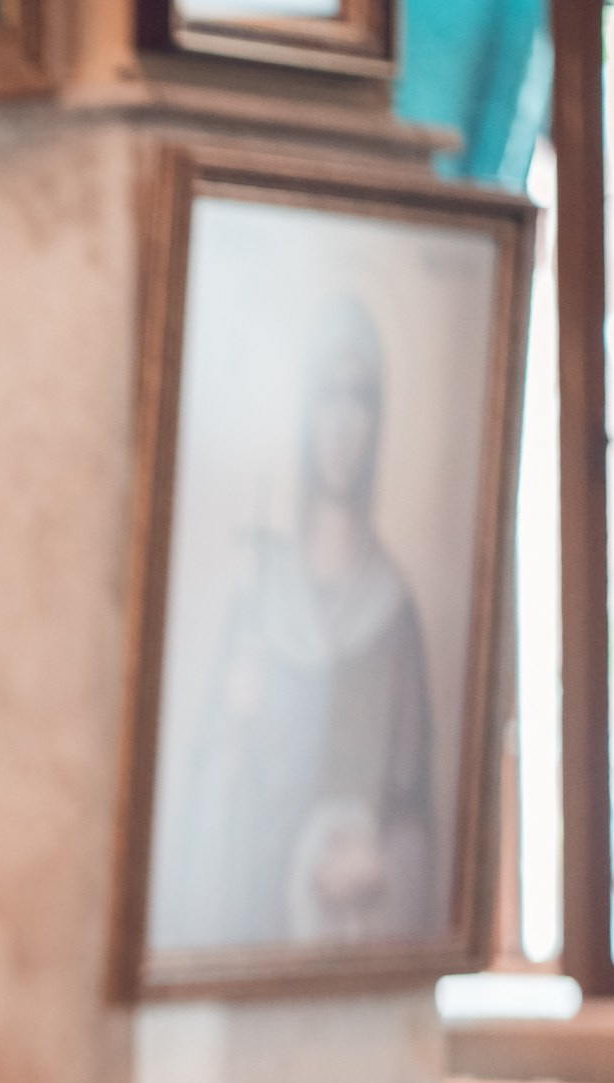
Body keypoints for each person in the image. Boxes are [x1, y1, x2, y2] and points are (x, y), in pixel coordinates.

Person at [152, 294, 440, 952]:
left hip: (354, 949)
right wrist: (235, 728)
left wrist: (383, 865)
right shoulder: (258, 606)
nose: (343, 423)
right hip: (253, 950)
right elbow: (204, 808)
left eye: (360, 399)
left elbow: (416, 809)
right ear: (305, 413)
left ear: (379, 419)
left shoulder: (393, 615)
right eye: (328, 396)